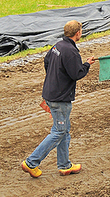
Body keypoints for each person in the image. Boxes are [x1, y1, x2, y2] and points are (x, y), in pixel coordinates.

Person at [21, 20, 95, 179]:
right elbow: (77, 74)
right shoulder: (71, 51)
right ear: (78, 33)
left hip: (51, 93)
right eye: (81, 31)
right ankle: (31, 162)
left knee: (64, 131)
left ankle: (64, 165)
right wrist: (87, 64)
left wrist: (54, 79)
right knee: (58, 131)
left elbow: (47, 62)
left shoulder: (58, 46)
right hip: (60, 99)